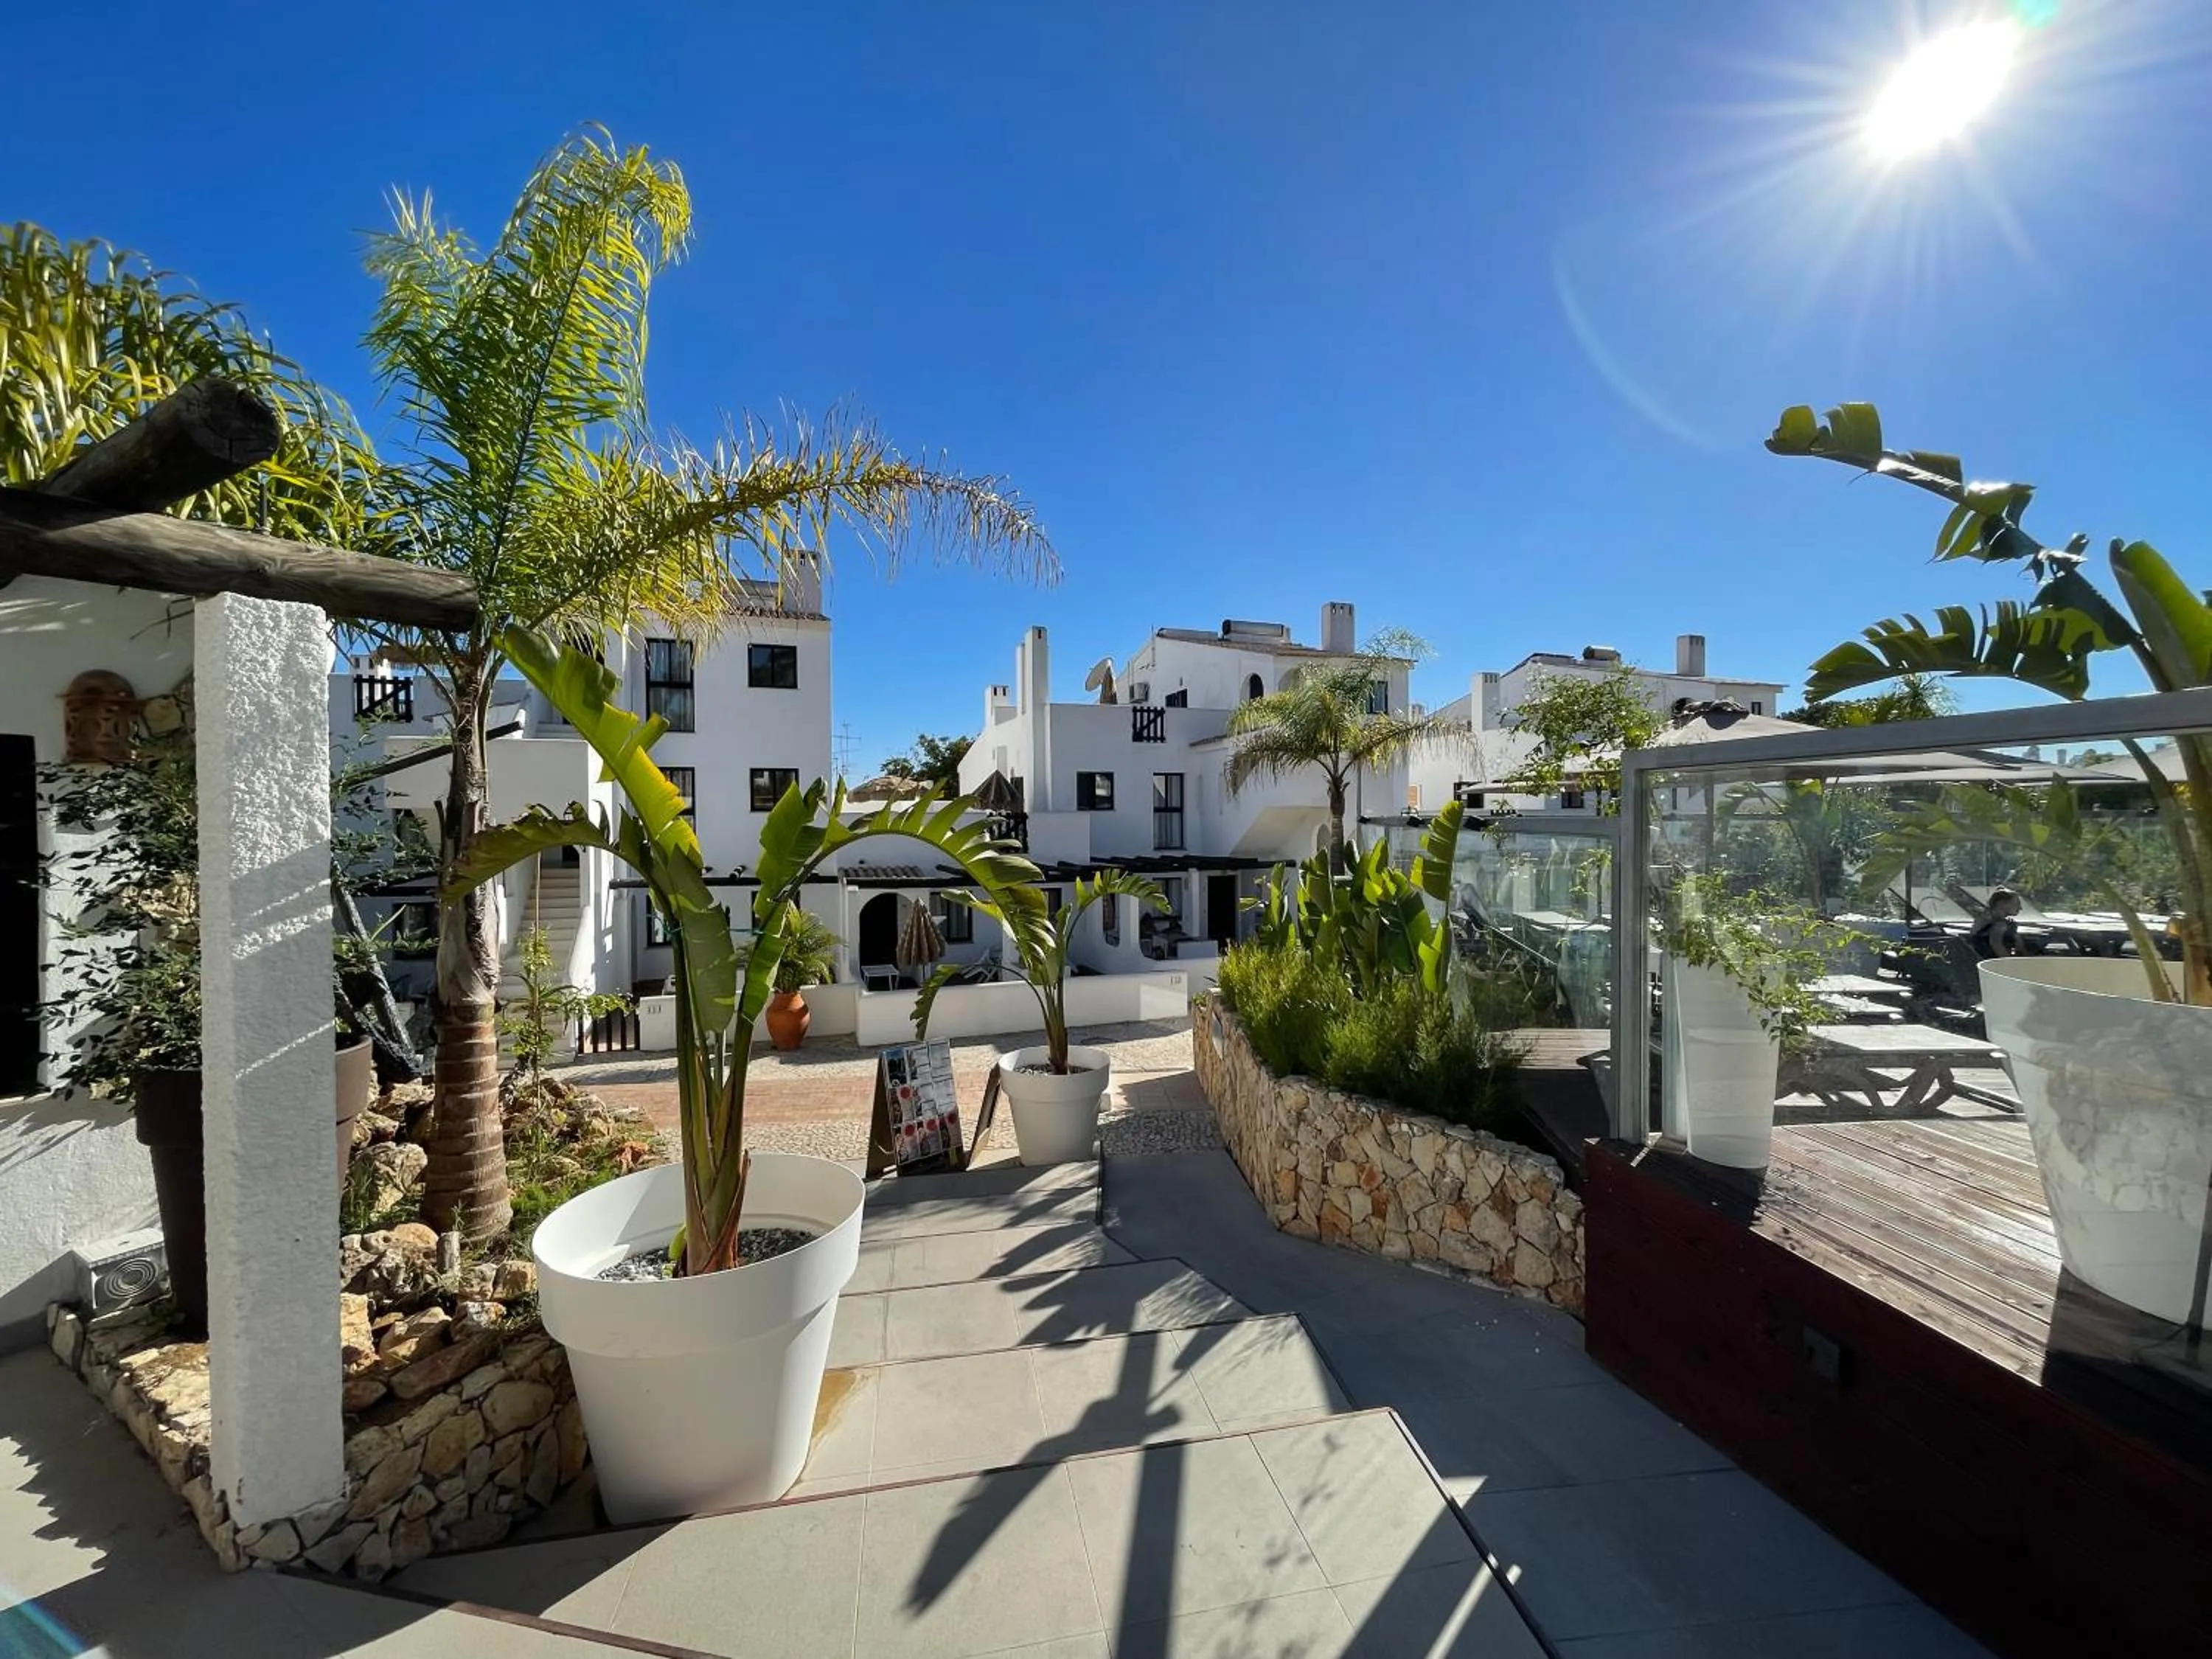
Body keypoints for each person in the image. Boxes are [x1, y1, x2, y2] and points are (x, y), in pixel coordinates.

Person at [1970, 888, 2023, 960]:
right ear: (2001, 903)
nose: (2020, 908)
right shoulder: (1997, 925)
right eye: (2017, 904)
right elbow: (1997, 946)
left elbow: (2019, 946)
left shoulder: (2006, 924)